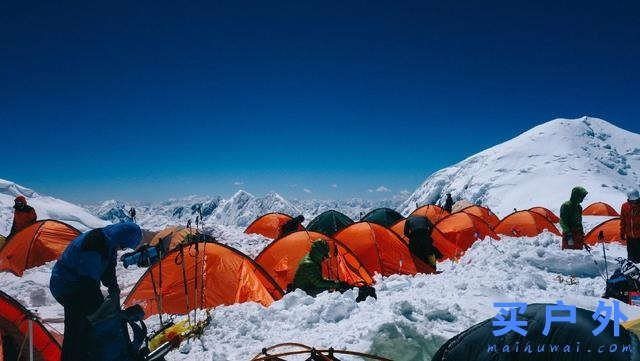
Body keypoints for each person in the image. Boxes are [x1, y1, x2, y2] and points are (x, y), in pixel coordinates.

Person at [49, 222, 142, 361]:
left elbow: (108, 269)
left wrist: (113, 289)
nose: (122, 248)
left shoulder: (109, 241)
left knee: (91, 324)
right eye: (123, 245)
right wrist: (101, 313)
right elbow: (88, 284)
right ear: (120, 238)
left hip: (81, 284)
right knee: (78, 326)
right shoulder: (93, 244)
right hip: (66, 287)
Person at [621, 189, 640, 262]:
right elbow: (623, 220)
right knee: (631, 257)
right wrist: (622, 232)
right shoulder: (625, 206)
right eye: (633, 201)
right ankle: (632, 271)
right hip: (630, 236)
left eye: (636, 201)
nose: (634, 203)